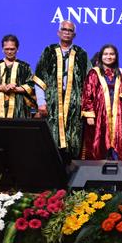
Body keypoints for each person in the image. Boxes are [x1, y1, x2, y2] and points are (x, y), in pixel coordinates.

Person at [34, 21, 90, 160]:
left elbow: (90, 81)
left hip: (74, 107)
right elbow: (39, 78)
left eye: (70, 30)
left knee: (73, 142)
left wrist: (85, 107)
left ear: (74, 35)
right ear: (58, 32)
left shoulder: (81, 54)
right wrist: (41, 102)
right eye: (64, 29)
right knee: (51, 143)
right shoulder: (48, 51)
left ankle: (71, 172)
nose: (66, 32)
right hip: (52, 104)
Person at [81, 44, 122, 161]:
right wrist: (89, 114)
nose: (109, 56)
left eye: (111, 54)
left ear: (116, 56)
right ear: (101, 56)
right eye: (106, 54)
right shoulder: (94, 73)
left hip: (117, 117)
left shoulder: (121, 73)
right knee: (99, 145)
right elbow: (87, 94)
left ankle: (117, 172)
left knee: (117, 145)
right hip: (99, 116)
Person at [0, 34, 35, 118]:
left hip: (19, 108)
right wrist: (3, 88)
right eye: (6, 49)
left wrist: (14, 89)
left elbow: (31, 86)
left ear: (17, 49)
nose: (9, 52)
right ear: (2, 49)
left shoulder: (25, 67)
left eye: (12, 49)